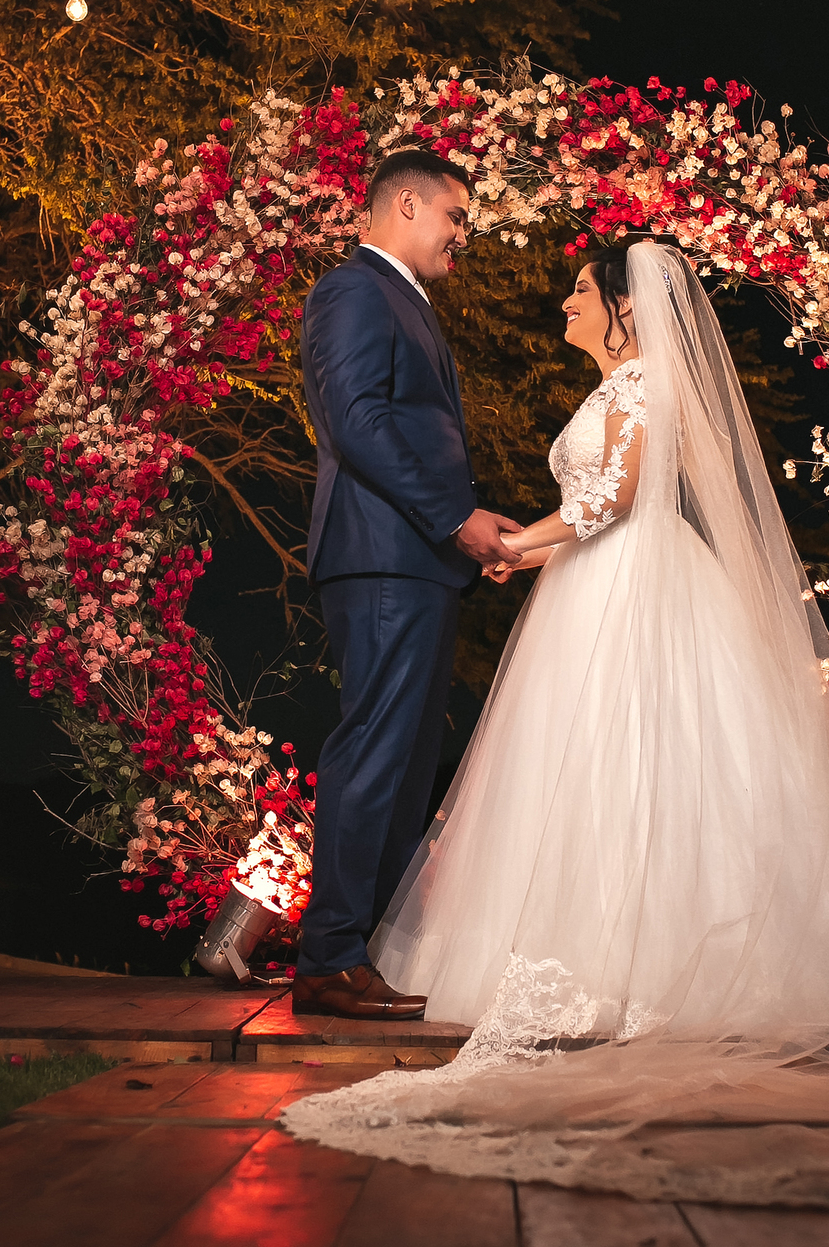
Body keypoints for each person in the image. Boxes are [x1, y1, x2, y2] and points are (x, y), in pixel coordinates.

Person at [284, 241, 829, 1197]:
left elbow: (611, 500)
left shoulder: (644, 383)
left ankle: (644, 964)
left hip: (635, 592)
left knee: (645, 763)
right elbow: (599, 507)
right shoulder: (619, 386)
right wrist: (524, 552)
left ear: (625, 307)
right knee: (587, 775)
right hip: (592, 586)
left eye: (580, 291)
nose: (564, 304)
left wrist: (516, 542)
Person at [293, 149, 522, 1021]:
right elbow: (355, 421)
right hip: (386, 556)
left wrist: (466, 524)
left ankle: (366, 954)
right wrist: (454, 517)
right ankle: (329, 959)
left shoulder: (404, 300)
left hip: (418, 559)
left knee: (406, 760)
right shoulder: (354, 290)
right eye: (456, 217)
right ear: (408, 205)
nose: (463, 235)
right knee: (375, 752)